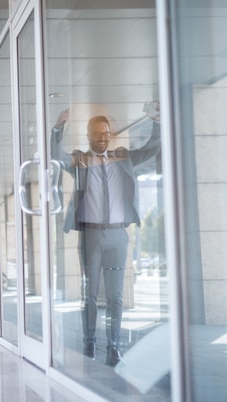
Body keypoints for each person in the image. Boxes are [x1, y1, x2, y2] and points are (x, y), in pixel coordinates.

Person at [50, 105, 161, 366]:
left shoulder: (122, 156)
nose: (103, 138)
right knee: (89, 293)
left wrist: (156, 121)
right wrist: (58, 127)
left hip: (118, 236)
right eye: (98, 133)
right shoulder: (80, 160)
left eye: (106, 133)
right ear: (89, 135)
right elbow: (57, 156)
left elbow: (152, 148)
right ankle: (89, 343)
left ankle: (114, 346)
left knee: (116, 295)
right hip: (90, 236)